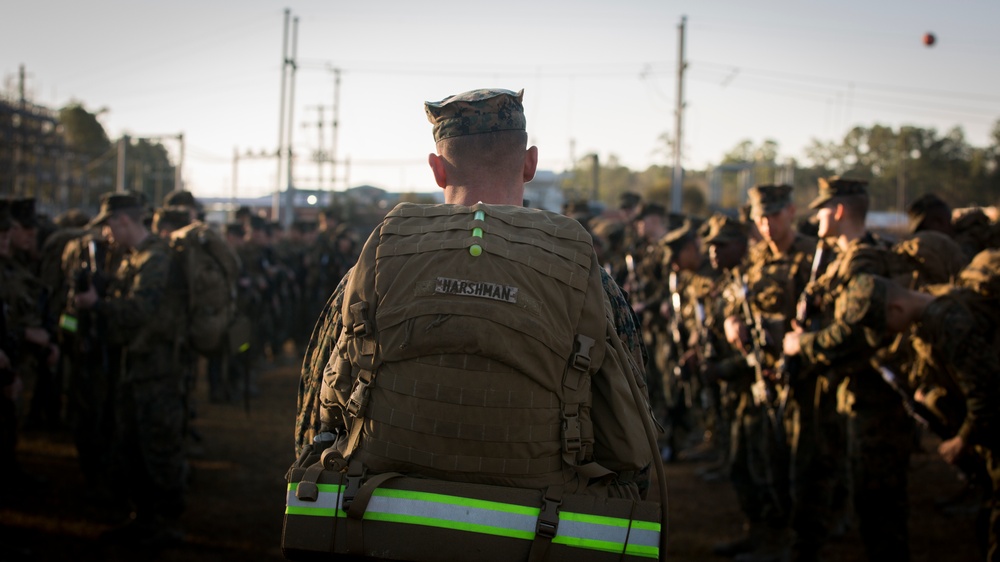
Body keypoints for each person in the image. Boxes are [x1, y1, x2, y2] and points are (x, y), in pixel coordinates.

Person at [293, 88, 663, 559]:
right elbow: (632, 441)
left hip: (381, 530)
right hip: (536, 538)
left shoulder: (372, 267)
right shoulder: (588, 279)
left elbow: (313, 417)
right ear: (529, 163)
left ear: (437, 168)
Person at [783, 176, 912, 562]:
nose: (818, 217)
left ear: (838, 211)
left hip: (874, 402)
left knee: (879, 511)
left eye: (822, 208)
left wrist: (799, 344)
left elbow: (853, 336)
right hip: (846, 396)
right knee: (845, 493)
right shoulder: (843, 261)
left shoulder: (864, 263)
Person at [73, 193, 187, 547]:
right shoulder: (136, 259)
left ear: (123, 221)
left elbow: (141, 312)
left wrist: (99, 304)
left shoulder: (155, 259)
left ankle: (165, 525)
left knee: (157, 447)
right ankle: (144, 518)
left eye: (108, 226)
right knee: (133, 445)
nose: (107, 235)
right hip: (136, 366)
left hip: (156, 370)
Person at [719, 184, 818, 562]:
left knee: (802, 467)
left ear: (790, 212)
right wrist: (731, 321)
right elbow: (733, 294)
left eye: (773, 216)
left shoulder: (812, 256)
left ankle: (801, 545)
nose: (766, 224)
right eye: (760, 217)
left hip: (803, 378)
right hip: (764, 376)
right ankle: (765, 535)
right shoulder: (756, 257)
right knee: (760, 461)